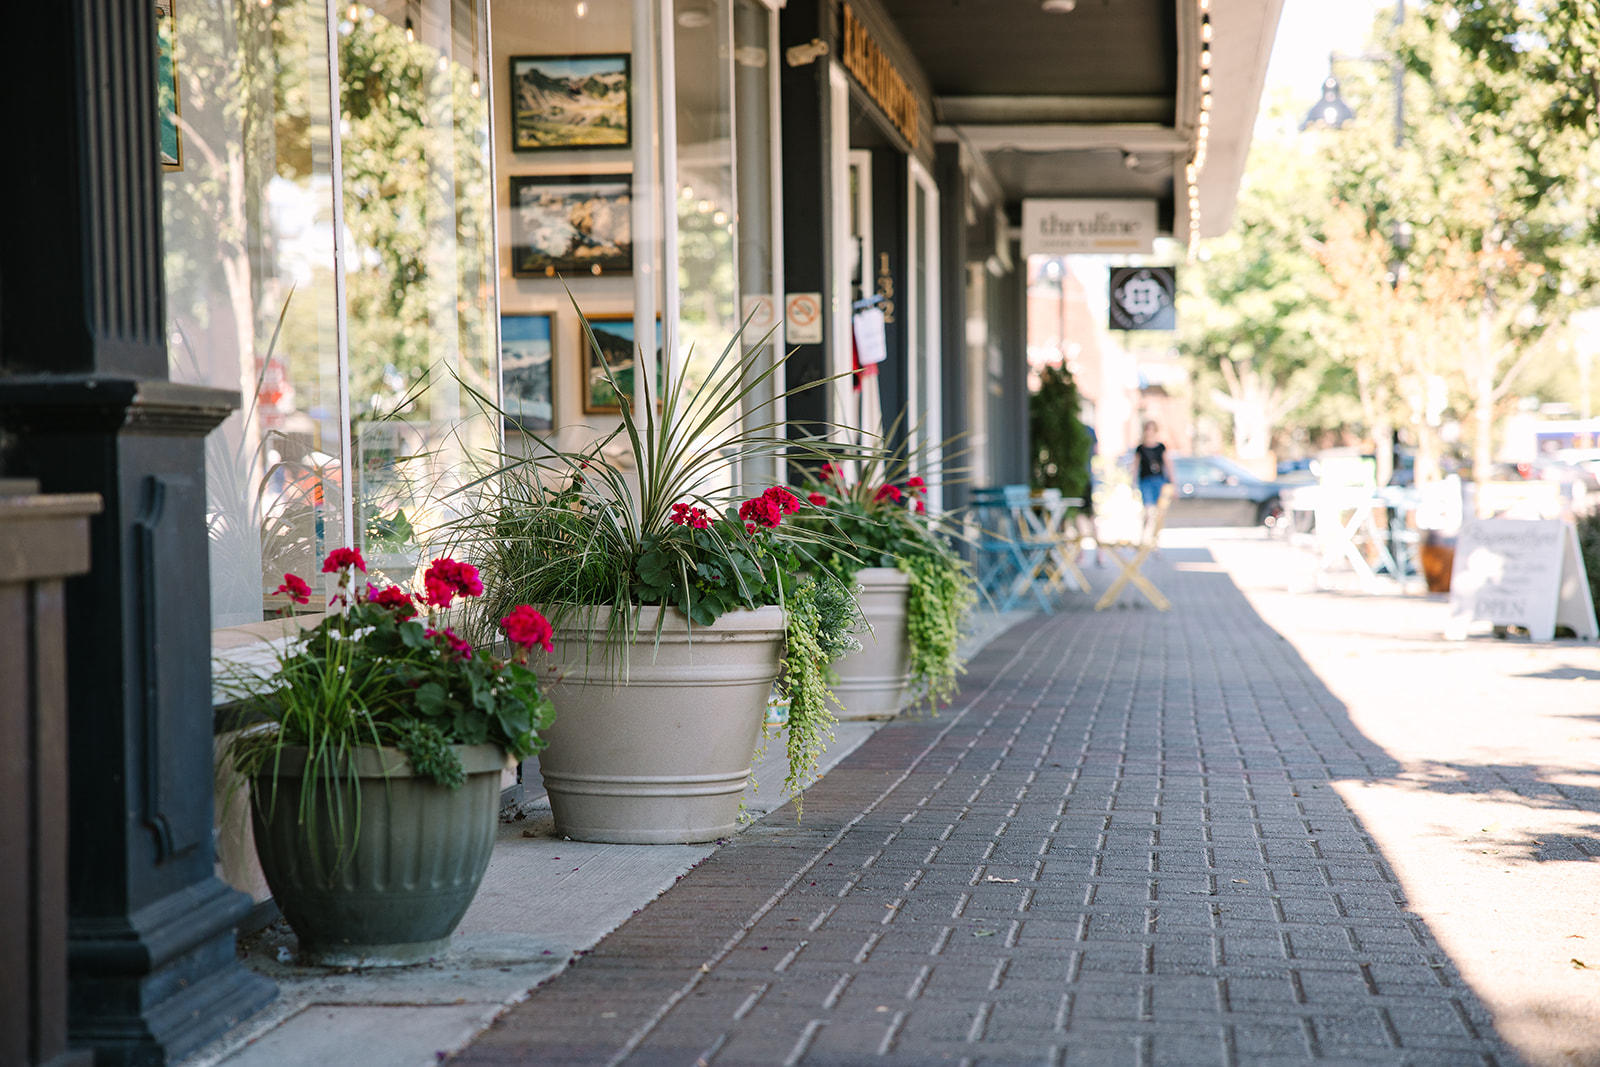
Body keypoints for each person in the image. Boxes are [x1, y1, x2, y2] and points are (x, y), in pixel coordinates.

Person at [1132, 420, 1171, 542]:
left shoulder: (1160, 447)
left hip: (1159, 481)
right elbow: (1135, 466)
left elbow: (1168, 464)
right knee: (1148, 511)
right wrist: (1133, 484)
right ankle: (1143, 537)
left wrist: (1172, 482)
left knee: (1159, 514)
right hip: (1146, 481)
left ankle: (1155, 540)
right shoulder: (1140, 448)